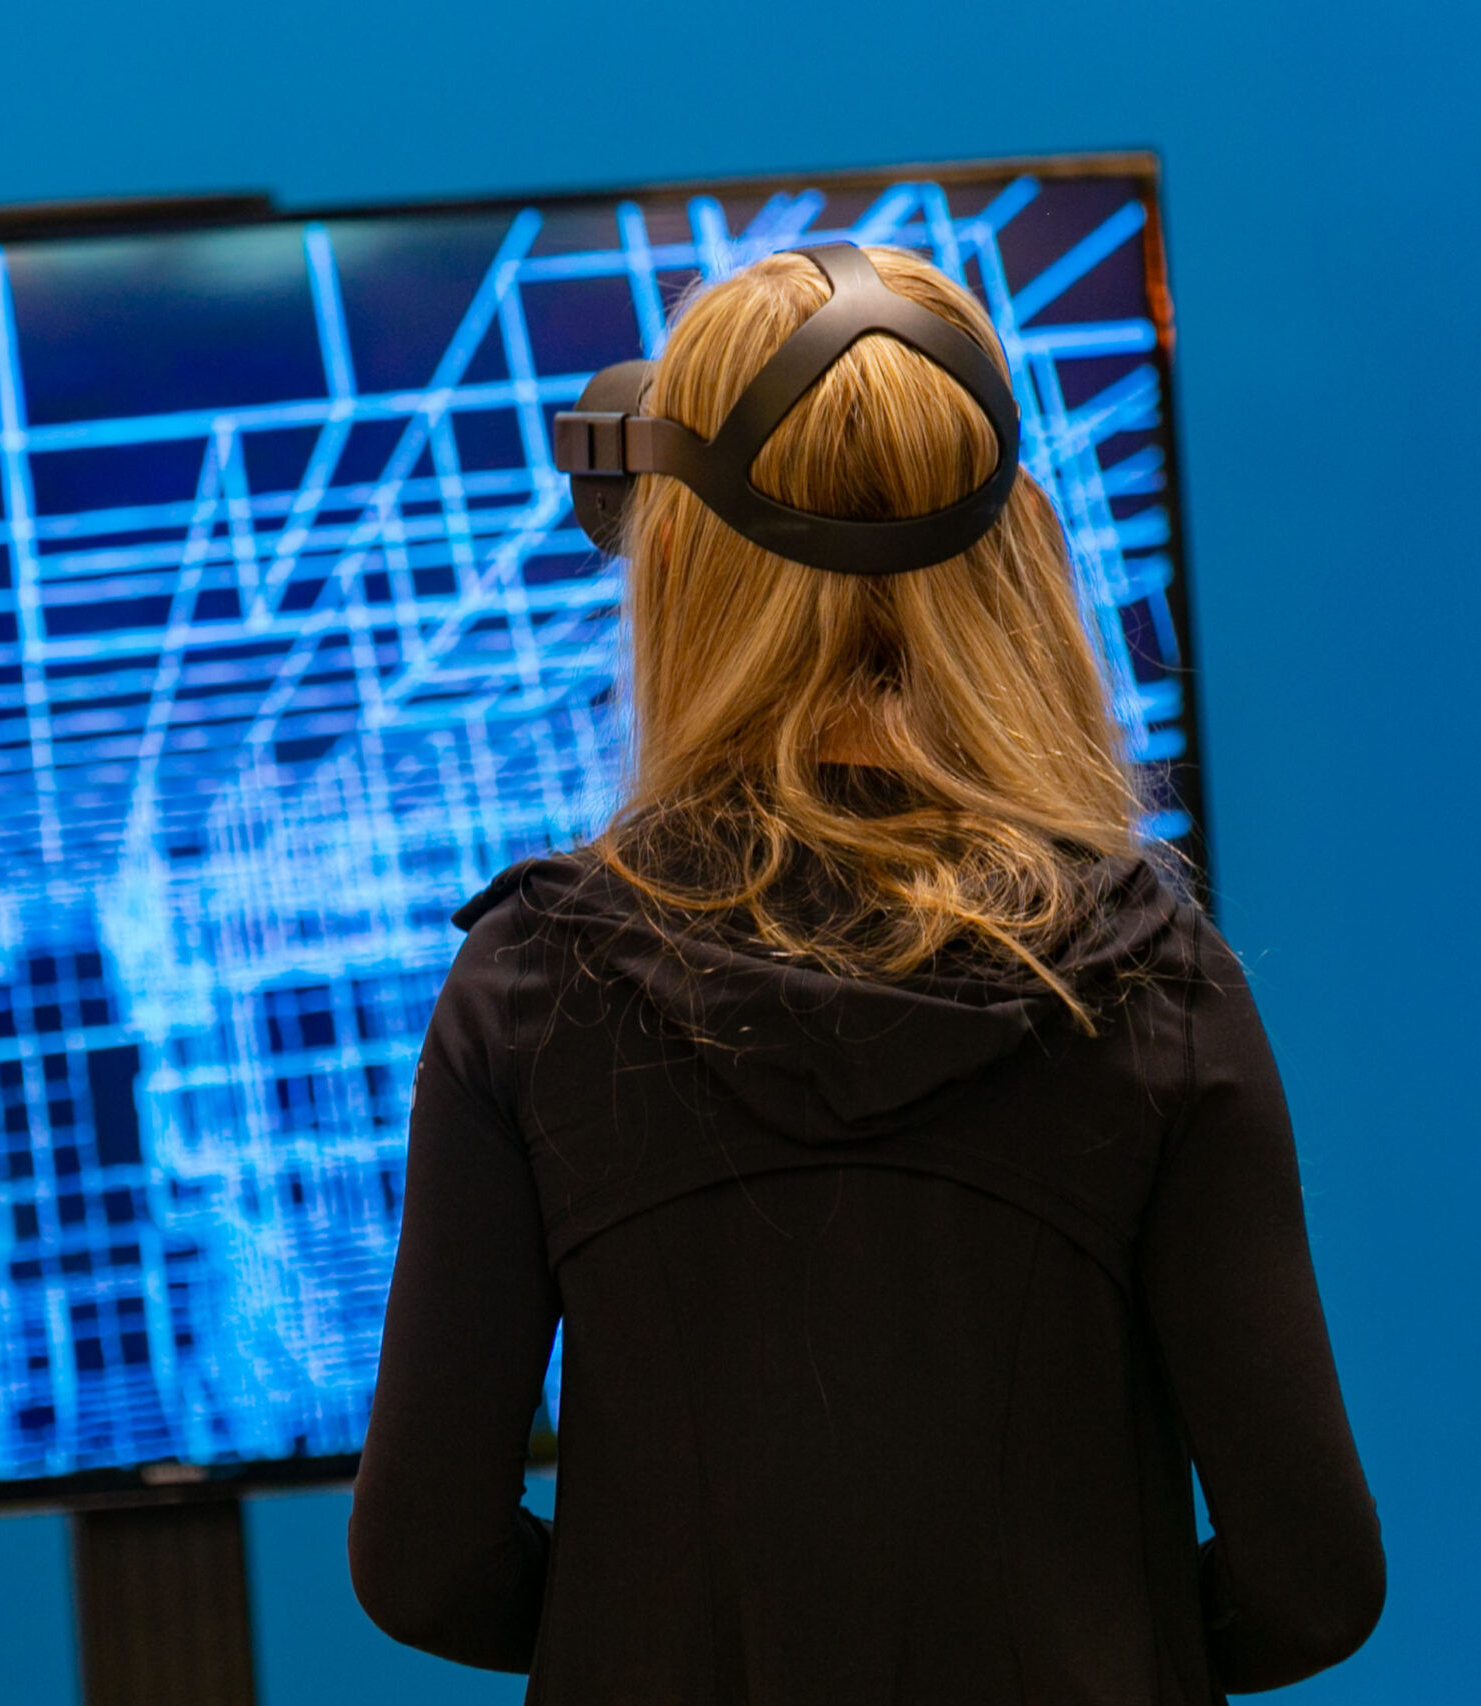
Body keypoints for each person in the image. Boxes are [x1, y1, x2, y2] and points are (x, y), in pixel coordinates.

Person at [348, 243, 1384, 1703]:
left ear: (676, 569)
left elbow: (420, 1563)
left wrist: (664, 1626)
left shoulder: (535, 986)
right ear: (1014, 553)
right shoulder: (1157, 984)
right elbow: (1316, 1581)